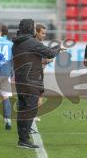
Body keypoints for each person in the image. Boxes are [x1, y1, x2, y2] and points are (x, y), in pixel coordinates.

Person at [12, 19, 64, 148]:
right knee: (30, 110)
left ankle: (22, 139)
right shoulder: (31, 42)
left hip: (20, 81)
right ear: (30, 28)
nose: (34, 29)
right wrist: (59, 48)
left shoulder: (16, 43)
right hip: (31, 81)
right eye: (33, 27)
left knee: (22, 110)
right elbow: (50, 53)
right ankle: (24, 140)